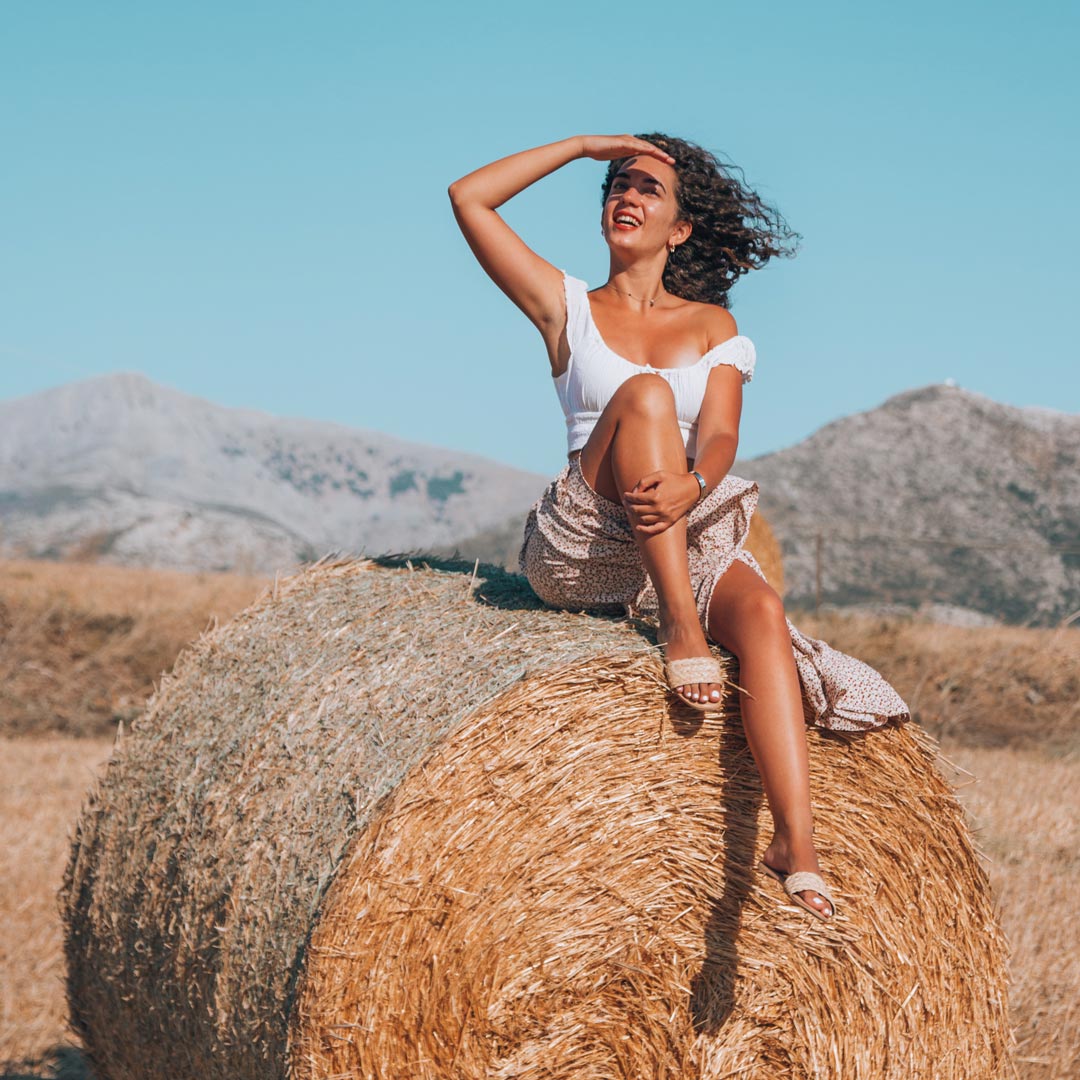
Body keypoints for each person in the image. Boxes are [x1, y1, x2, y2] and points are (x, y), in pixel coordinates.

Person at [448, 133, 909, 922]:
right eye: (616, 185)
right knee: (649, 399)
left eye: (649, 190)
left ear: (680, 229)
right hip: (588, 539)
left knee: (765, 612)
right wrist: (584, 146)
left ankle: (795, 841)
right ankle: (683, 634)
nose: (626, 196)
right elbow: (469, 197)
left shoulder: (712, 325)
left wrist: (697, 482)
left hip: (681, 519)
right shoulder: (567, 308)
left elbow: (723, 437)